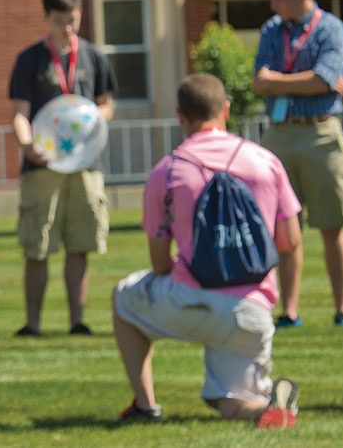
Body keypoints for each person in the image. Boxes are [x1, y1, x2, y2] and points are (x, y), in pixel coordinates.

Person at [112, 73, 301, 427]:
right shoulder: (266, 161)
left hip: (189, 299)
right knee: (232, 405)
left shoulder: (165, 171)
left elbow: (159, 262)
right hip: (252, 309)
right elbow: (290, 242)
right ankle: (272, 403)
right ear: (226, 110)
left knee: (123, 298)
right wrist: (287, 306)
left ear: (180, 116)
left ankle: (145, 404)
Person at [251, 0, 343, 328]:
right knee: (284, 226)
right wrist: (309, 81)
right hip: (279, 133)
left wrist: (279, 80)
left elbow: (324, 79)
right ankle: (288, 311)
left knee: (331, 226)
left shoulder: (331, 29)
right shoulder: (271, 30)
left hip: (321, 133)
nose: (274, 6)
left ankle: (342, 309)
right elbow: (259, 82)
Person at [8, 0, 116, 336]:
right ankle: (32, 323)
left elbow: (106, 106)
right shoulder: (30, 60)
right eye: (58, 21)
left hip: (85, 165)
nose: (66, 28)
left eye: (72, 20)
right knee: (37, 246)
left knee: (81, 243)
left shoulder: (94, 57)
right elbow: (21, 113)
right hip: (43, 167)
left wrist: (92, 118)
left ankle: (77, 322)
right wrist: (27, 145)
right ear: (46, 18)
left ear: (81, 14)